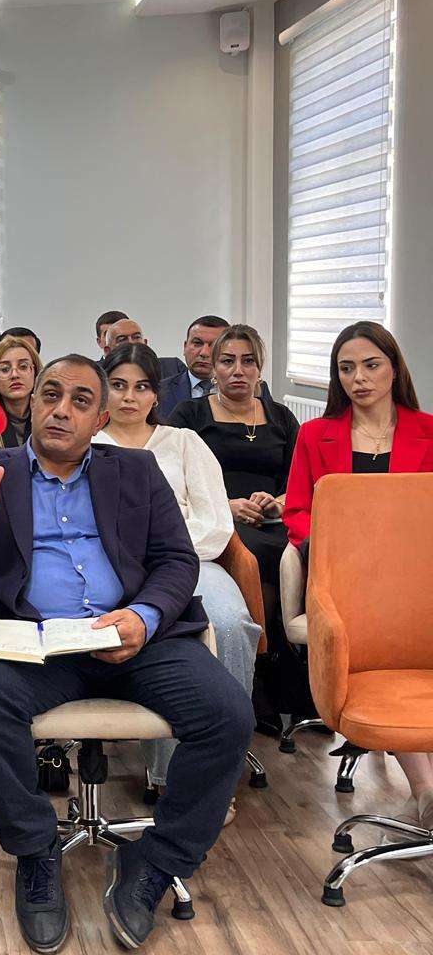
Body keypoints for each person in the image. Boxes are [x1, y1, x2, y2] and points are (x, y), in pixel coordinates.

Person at [0, 353, 253, 954]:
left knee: (228, 714)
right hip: (36, 644)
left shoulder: (136, 470)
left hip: (133, 637)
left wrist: (144, 617)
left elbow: (177, 560)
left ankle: (156, 860)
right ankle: (35, 852)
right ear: (32, 404)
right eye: (50, 394)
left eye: (80, 401)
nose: (61, 410)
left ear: (100, 419)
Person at [93, 344, 261, 808]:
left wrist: (174, 555)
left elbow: (216, 520)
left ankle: (214, 777)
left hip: (194, 559)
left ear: (156, 395)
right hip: (118, 571)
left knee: (228, 623)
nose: (129, 397)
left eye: (141, 387)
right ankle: (168, 776)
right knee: (163, 631)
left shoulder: (184, 442)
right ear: (103, 391)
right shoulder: (88, 448)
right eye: (118, 385)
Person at [283, 321, 433, 832]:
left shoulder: (428, 430)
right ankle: (425, 790)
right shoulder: (315, 434)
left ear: (394, 369)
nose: (359, 378)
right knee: (386, 641)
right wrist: (342, 549)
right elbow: (298, 512)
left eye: (371, 365)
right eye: (347, 368)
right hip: (343, 576)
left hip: (416, 575)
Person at [167, 324, 302, 732]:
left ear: (260, 368)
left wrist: (277, 502)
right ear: (214, 367)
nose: (238, 370)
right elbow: (175, 479)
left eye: (248, 361)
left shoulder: (281, 416)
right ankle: (258, 677)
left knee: (298, 551)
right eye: (228, 361)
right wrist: (226, 505)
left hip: (274, 519)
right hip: (215, 521)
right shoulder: (190, 415)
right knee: (257, 554)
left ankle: (294, 678)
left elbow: (298, 479)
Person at [158, 316, 231, 418]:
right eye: (197, 343)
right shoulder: (159, 391)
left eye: (214, 345)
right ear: (185, 347)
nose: (204, 353)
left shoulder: (246, 393)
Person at [0, 335, 40, 449]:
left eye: (23, 367)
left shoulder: (51, 416)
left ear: (36, 373)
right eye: (5, 369)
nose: (14, 375)